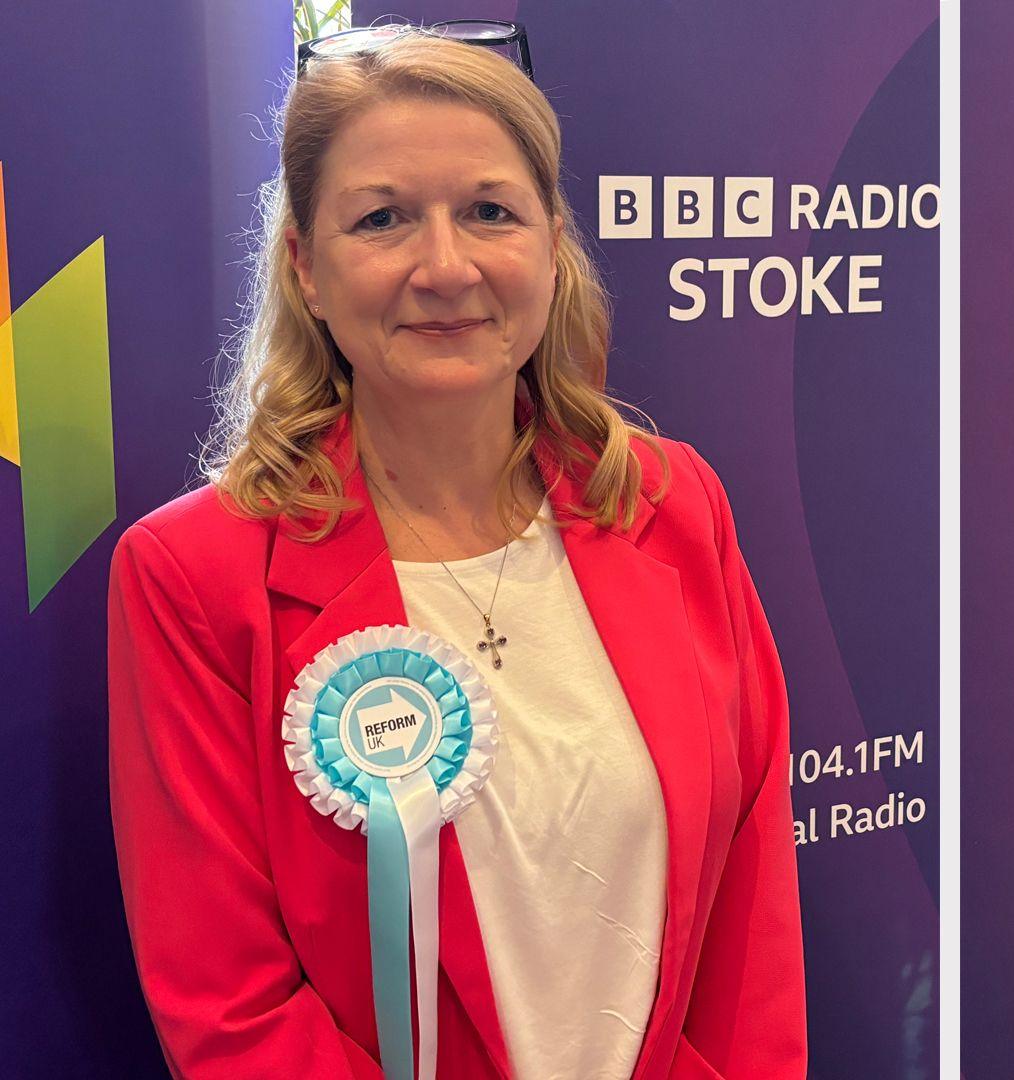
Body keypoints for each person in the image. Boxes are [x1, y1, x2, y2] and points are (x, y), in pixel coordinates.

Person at [106, 25, 805, 1079]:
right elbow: (231, 1005)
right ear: (305, 265)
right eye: (383, 219)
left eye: (489, 211)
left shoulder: (673, 505)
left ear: (553, 241)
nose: (445, 265)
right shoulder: (194, 576)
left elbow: (751, 912)